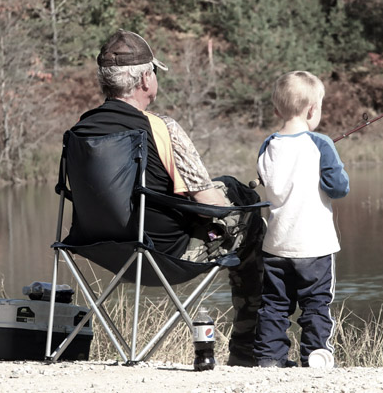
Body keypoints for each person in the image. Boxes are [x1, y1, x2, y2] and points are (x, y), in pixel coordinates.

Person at [70, 29, 264, 366]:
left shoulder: (80, 130)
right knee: (242, 202)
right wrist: (238, 195)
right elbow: (210, 208)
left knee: (224, 189)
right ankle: (249, 349)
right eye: (155, 72)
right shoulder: (161, 128)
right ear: (145, 78)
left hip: (100, 251)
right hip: (164, 256)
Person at [253, 71, 350, 368]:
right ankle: (315, 357)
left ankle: (270, 359)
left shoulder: (267, 145)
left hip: (276, 245)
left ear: (276, 110)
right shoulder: (320, 144)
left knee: (274, 305)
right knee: (316, 304)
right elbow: (339, 187)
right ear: (312, 109)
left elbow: (266, 181)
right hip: (315, 247)